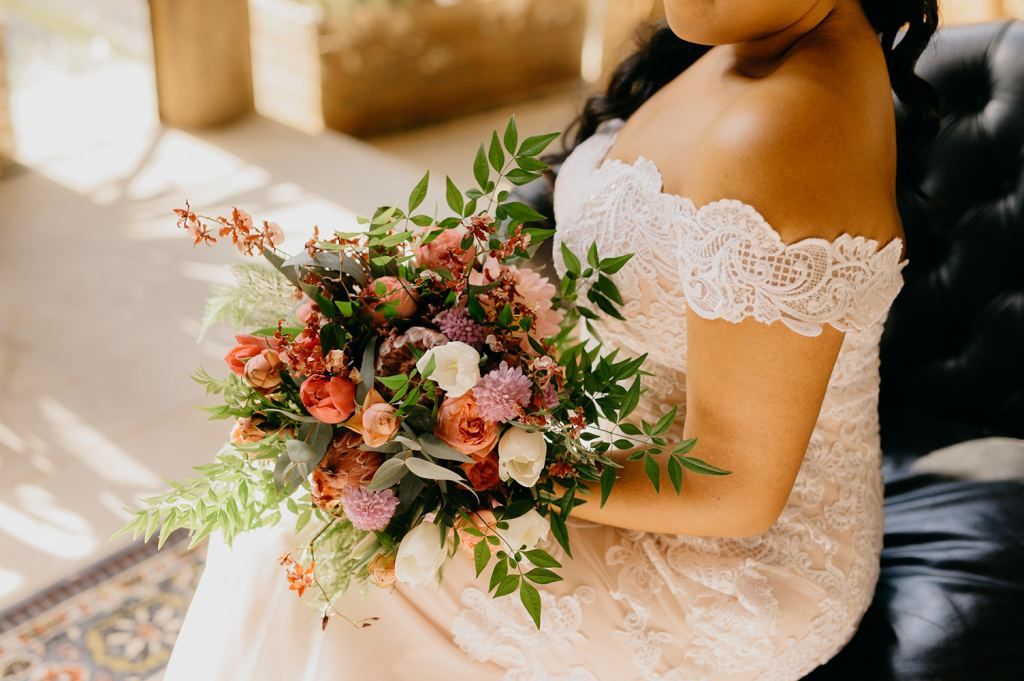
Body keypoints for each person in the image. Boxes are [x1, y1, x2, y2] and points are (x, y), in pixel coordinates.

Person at [164, 1, 938, 678]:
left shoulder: (783, 127)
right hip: (630, 451)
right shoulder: (737, 39)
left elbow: (735, 489)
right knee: (315, 501)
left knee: (322, 552)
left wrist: (474, 466)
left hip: (733, 564)